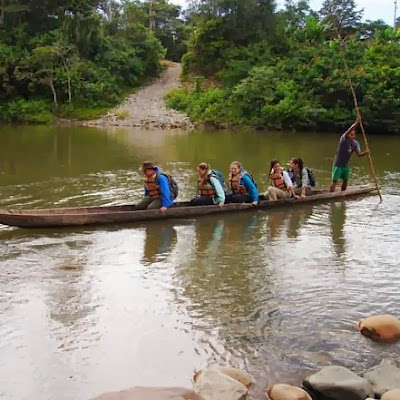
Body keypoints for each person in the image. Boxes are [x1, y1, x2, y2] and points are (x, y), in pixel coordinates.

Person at [330, 116, 369, 192]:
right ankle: (331, 195)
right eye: (350, 134)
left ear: (354, 136)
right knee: (334, 180)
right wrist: (356, 123)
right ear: (348, 135)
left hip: (345, 165)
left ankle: (343, 193)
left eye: (353, 135)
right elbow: (349, 130)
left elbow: (359, 154)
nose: (351, 136)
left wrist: (366, 152)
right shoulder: (343, 139)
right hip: (338, 163)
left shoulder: (355, 143)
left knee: (345, 180)